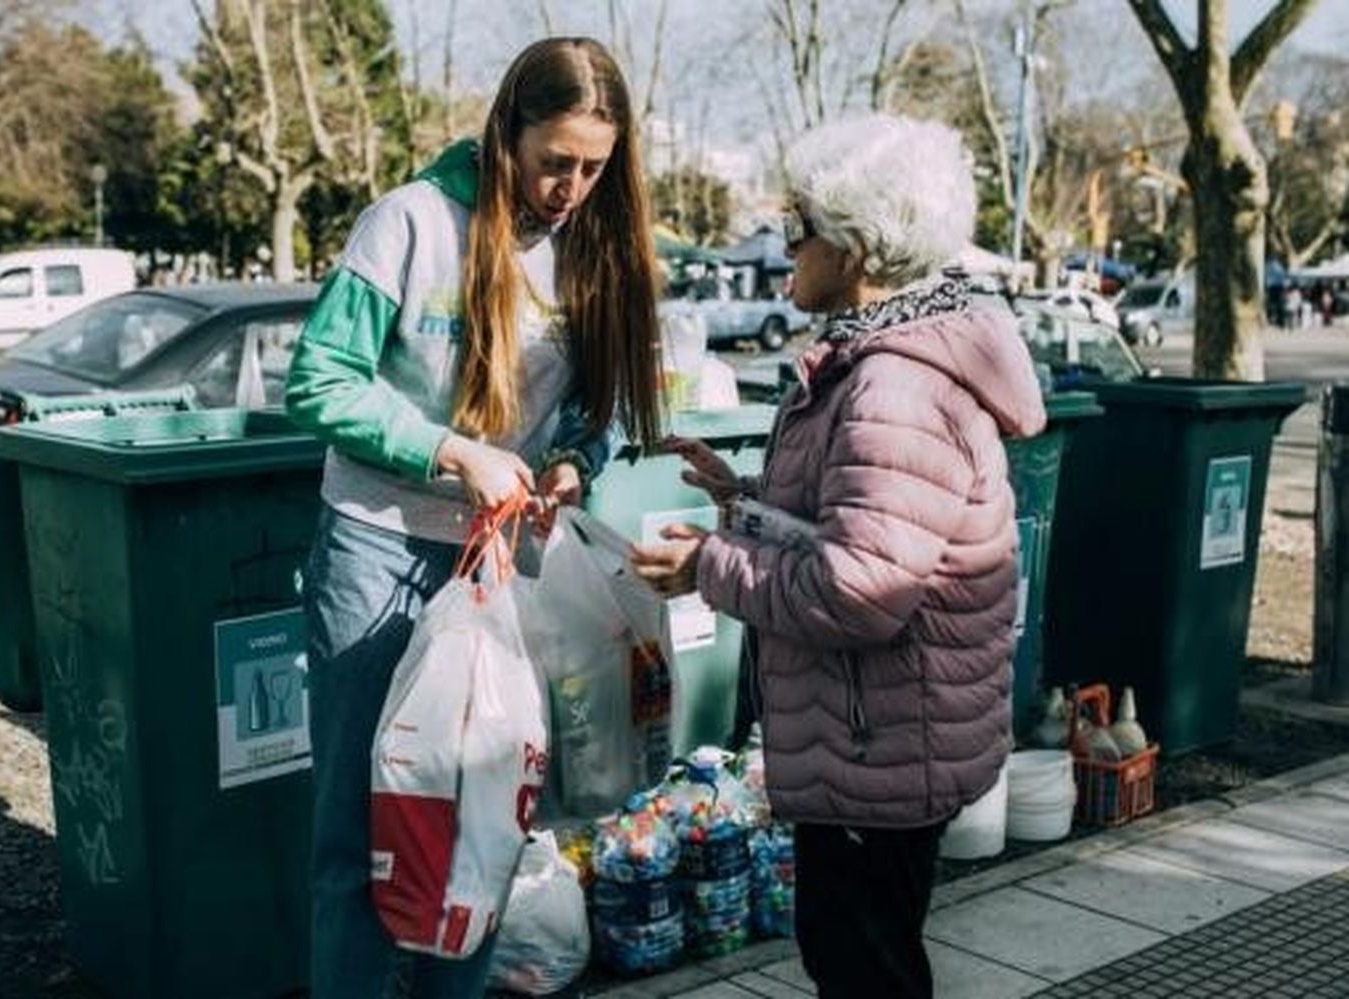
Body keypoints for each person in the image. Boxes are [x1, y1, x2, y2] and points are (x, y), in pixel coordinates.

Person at [630, 113, 1046, 999]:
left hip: (879, 742)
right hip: (879, 736)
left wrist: (707, 565)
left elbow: (860, 590)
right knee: (858, 954)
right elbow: (852, 524)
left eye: (799, 230)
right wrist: (741, 499)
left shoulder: (894, 383)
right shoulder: (884, 359)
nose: (788, 252)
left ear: (855, 246)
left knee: (865, 968)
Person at [284, 37, 660, 999]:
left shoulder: (587, 250)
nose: (569, 186)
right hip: (376, 554)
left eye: (592, 167)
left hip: (495, 571)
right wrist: (451, 451)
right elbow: (318, 380)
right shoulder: (410, 225)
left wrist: (576, 459)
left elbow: (599, 408)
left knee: (484, 822)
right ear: (508, 133)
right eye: (553, 161)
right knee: (365, 830)